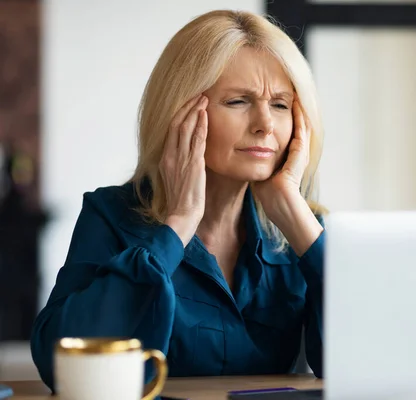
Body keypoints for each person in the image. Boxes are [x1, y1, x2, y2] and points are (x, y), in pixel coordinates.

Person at [30, 9, 326, 391]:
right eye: (238, 101)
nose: (265, 125)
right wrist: (179, 224)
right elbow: (62, 366)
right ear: (179, 112)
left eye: (281, 105)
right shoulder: (110, 215)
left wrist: (303, 230)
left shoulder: (306, 231)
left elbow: (368, 367)